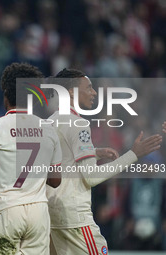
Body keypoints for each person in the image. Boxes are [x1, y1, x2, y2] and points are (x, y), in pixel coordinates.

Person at [46, 68, 162, 255]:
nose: (93, 93)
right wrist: (133, 154)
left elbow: (62, 159)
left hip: (52, 214)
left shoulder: (50, 121)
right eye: (89, 88)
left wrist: (94, 153)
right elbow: (91, 177)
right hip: (75, 217)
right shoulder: (79, 124)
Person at [0, 62, 63, 254]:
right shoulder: (49, 130)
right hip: (39, 214)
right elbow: (56, 180)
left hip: (5, 211)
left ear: (6, 94)